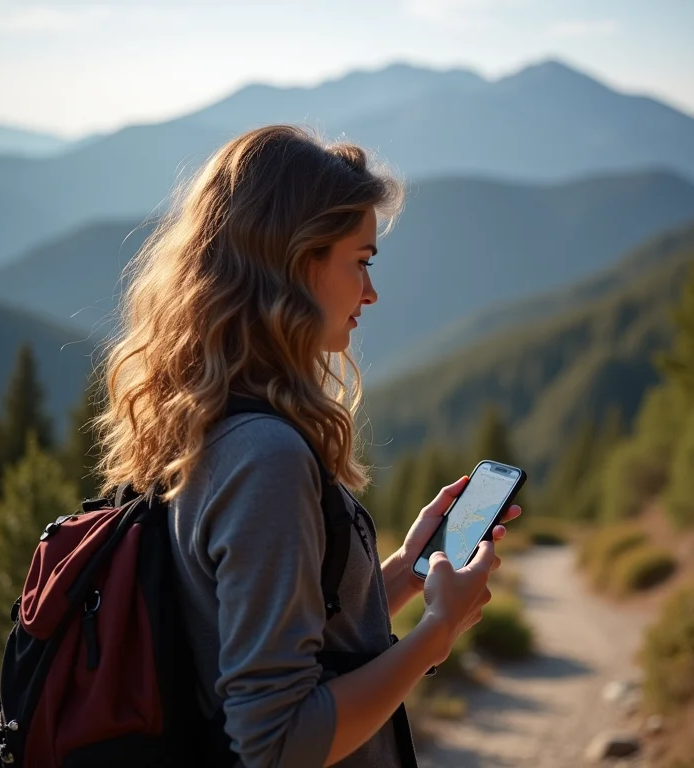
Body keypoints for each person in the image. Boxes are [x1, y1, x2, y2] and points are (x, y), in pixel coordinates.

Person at [95, 125, 520, 767]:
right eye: (362, 260)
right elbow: (277, 743)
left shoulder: (207, 415)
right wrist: (437, 632)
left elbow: (254, 630)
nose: (370, 292)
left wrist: (405, 572)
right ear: (297, 262)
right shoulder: (264, 455)